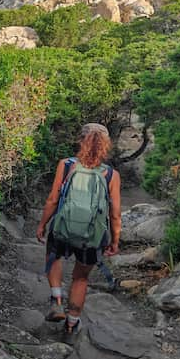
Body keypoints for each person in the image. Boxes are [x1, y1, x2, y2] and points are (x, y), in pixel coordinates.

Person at [35, 123, 121, 334]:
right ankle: (72, 324)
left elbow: (53, 199)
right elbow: (115, 213)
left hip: (62, 229)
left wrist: (42, 224)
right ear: (105, 145)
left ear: (80, 140)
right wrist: (115, 240)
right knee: (81, 278)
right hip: (92, 237)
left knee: (54, 258)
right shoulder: (111, 175)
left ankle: (56, 299)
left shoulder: (66, 165)